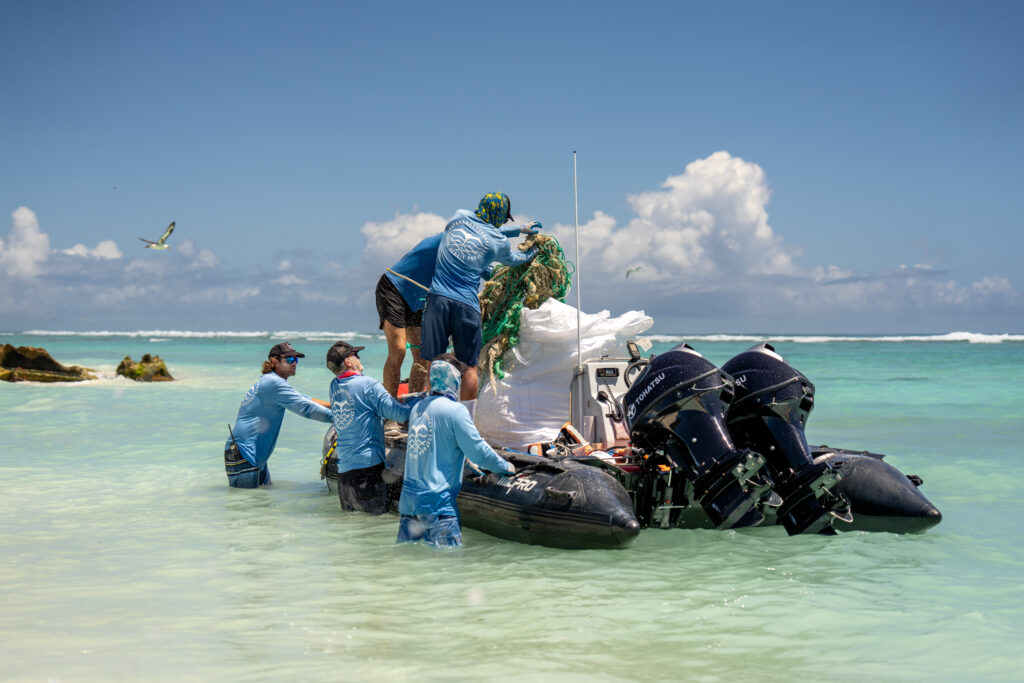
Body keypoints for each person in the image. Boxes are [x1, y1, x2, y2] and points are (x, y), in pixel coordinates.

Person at [419, 192, 542, 401]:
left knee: (433, 362)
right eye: (503, 218)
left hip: (437, 301)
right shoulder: (499, 243)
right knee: (469, 367)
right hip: (466, 306)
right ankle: (466, 421)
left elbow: (481, 231)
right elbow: (514, 259)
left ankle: (428, 414)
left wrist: (518, 229)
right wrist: (532, 252)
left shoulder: (457, 217)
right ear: (500, 215)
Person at [397, 354, 515, 547]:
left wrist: (462, 457)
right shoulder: (455, 411)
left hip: (410, 505)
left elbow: (431, 447)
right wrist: (505, 467)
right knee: (447, 569)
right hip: (438, 508)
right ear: (453, 379)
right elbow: (479, 451)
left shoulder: (418, 407)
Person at [224, 342, 332, 488]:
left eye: (296, 360)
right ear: (274, 361)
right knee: (247, 505)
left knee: (261, 500)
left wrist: (335, 405)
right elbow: (306, 409)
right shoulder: (273, 383)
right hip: (244, 453)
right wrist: (342, 419)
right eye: (289, 359)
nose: (294, 363)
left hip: (254, 455)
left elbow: (305, 399)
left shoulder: (273, 382)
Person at [327, 339, 416, 514]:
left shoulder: (334, 386)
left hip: (344, 472)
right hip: (367, 470)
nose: (359, 358)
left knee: (354, 529)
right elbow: (399, 414)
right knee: (374, 526)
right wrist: (422, 400)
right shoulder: (368, 385)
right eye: (355, 355)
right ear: (348, 362)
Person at [375, 232, 442, 434]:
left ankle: (408, 412)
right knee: (398, 350)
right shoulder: (450, 238)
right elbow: (491, 235)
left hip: (418, 296)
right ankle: (389, 414)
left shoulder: (468, 253)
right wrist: (517, 230)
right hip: (393, 288)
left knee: (422, 358)